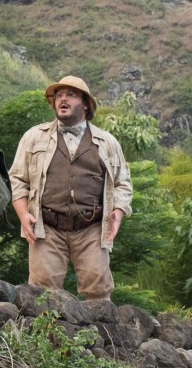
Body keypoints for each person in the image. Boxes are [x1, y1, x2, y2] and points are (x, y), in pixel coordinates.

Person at [9, 75, 132, 301]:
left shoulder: (107, 142)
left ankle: (102, 336)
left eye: (71, 95)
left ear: (85, 104)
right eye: (58, 95)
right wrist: (24, 214)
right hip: (46, 227)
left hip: (91, 227)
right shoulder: (34, 137)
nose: (62, 99)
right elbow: (17, 179)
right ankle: (45, 337)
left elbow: (123, 182)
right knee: (41, 295)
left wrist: (119, 211)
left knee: (98, 291)